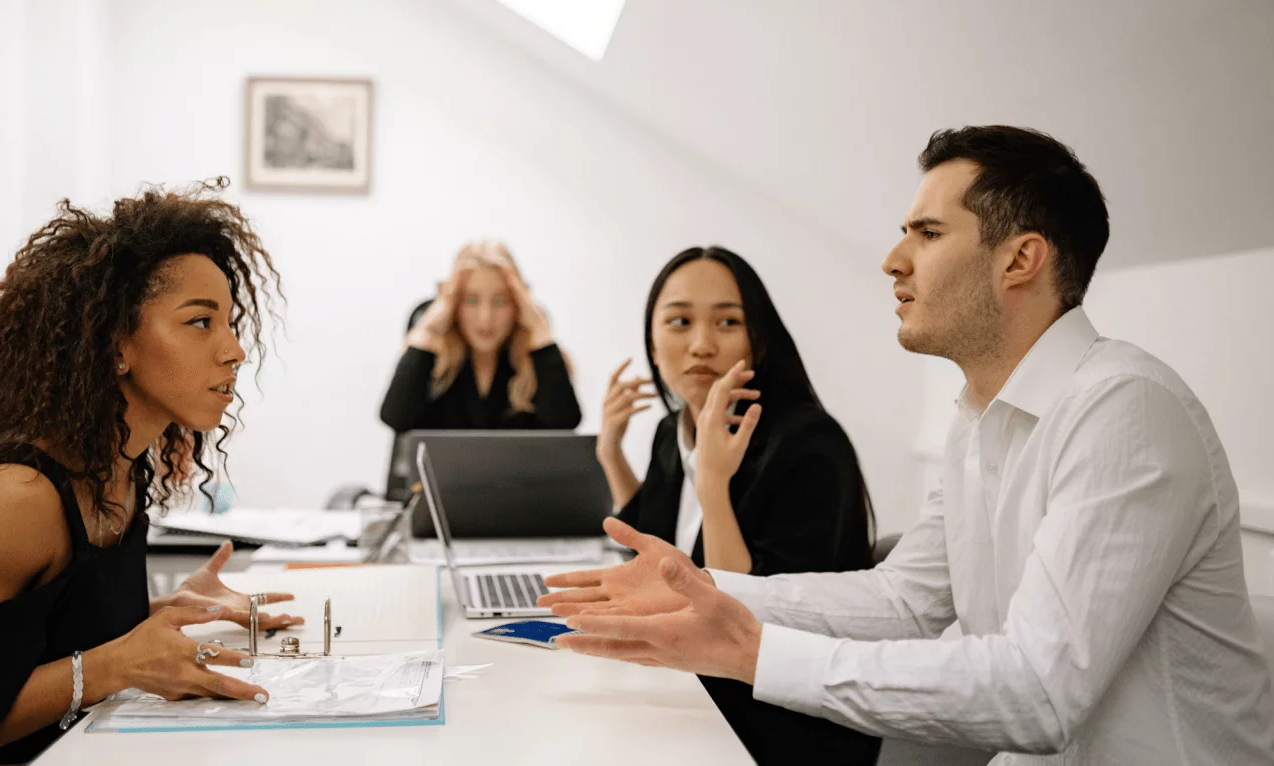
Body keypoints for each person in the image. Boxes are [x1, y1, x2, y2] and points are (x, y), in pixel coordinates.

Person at [539, 127, 1274, 764]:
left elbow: (1039, 692)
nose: (893, 260)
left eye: (926, 234)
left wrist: (755, 652)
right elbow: (906, 599)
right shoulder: (977, 420)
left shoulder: (1125, 409)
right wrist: (705, 589)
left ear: (1020, 260)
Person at [0, 181, 304, 764]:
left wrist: (159, 612)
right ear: (115, 342)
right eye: (201, 322)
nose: (234, 350)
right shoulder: (12, 499)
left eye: (229, 322)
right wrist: (114, 663)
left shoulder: (120, 470)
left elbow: (29, 648)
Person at [595, 246, 879, 764]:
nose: (701, 345)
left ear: (757, 341)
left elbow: (740, 620)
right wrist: (610, 453)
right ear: (653, 345)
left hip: (773, 724)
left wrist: (712, 485)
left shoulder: (810, 444)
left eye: (728, 322)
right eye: (679, 321)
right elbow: (653, 559)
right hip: (692, 695)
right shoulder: (672, 429)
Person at [379, 241, 581, 432]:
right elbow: (396, 418)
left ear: (518, 306)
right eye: (471, 300)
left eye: (501, 302)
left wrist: (539, 329)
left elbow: (565, 424)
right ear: (453, 303)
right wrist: (428, 330)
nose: (485, 319)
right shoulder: (433, 358)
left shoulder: (536, 359)